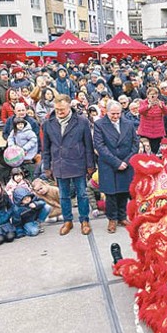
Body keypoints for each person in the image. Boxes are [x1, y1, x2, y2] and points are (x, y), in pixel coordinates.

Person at [42, 94, 96, 236]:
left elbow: (88, 146)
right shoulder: (47, 123)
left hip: (78, 162)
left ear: (69, 107)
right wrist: (46, 166)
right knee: (64, 195)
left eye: (63, 109)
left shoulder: (82, 121)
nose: (60, 112)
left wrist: (90, 165)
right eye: (57, 109)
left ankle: (84, 220)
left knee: (82, 194)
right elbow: (46, 148)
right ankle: (68, 221)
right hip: (59, 164)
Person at [93, 100, 139, 234]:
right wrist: (116, 163)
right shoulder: (99, 125)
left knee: (124, 192)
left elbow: (135, 144)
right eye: (113, 114)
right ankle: (112, 219)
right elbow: (100, 146)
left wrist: (126, 161)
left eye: (118, 113)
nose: (115, 116)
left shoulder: (128, 124)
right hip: (109, 164)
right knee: (111, 194)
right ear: (106, 112)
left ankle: (122, 217)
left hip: (126, 163)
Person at [138, 87, 167, 154]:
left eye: (155, 94)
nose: (153, 96)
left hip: (157, 132)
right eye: (151, 94)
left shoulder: (161, 102)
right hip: (145, 131)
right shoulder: (143, 102)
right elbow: (140, 111)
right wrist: (148, 106)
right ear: (147, 95)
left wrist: (162, 107)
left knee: (154, 151)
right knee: (146, 151)